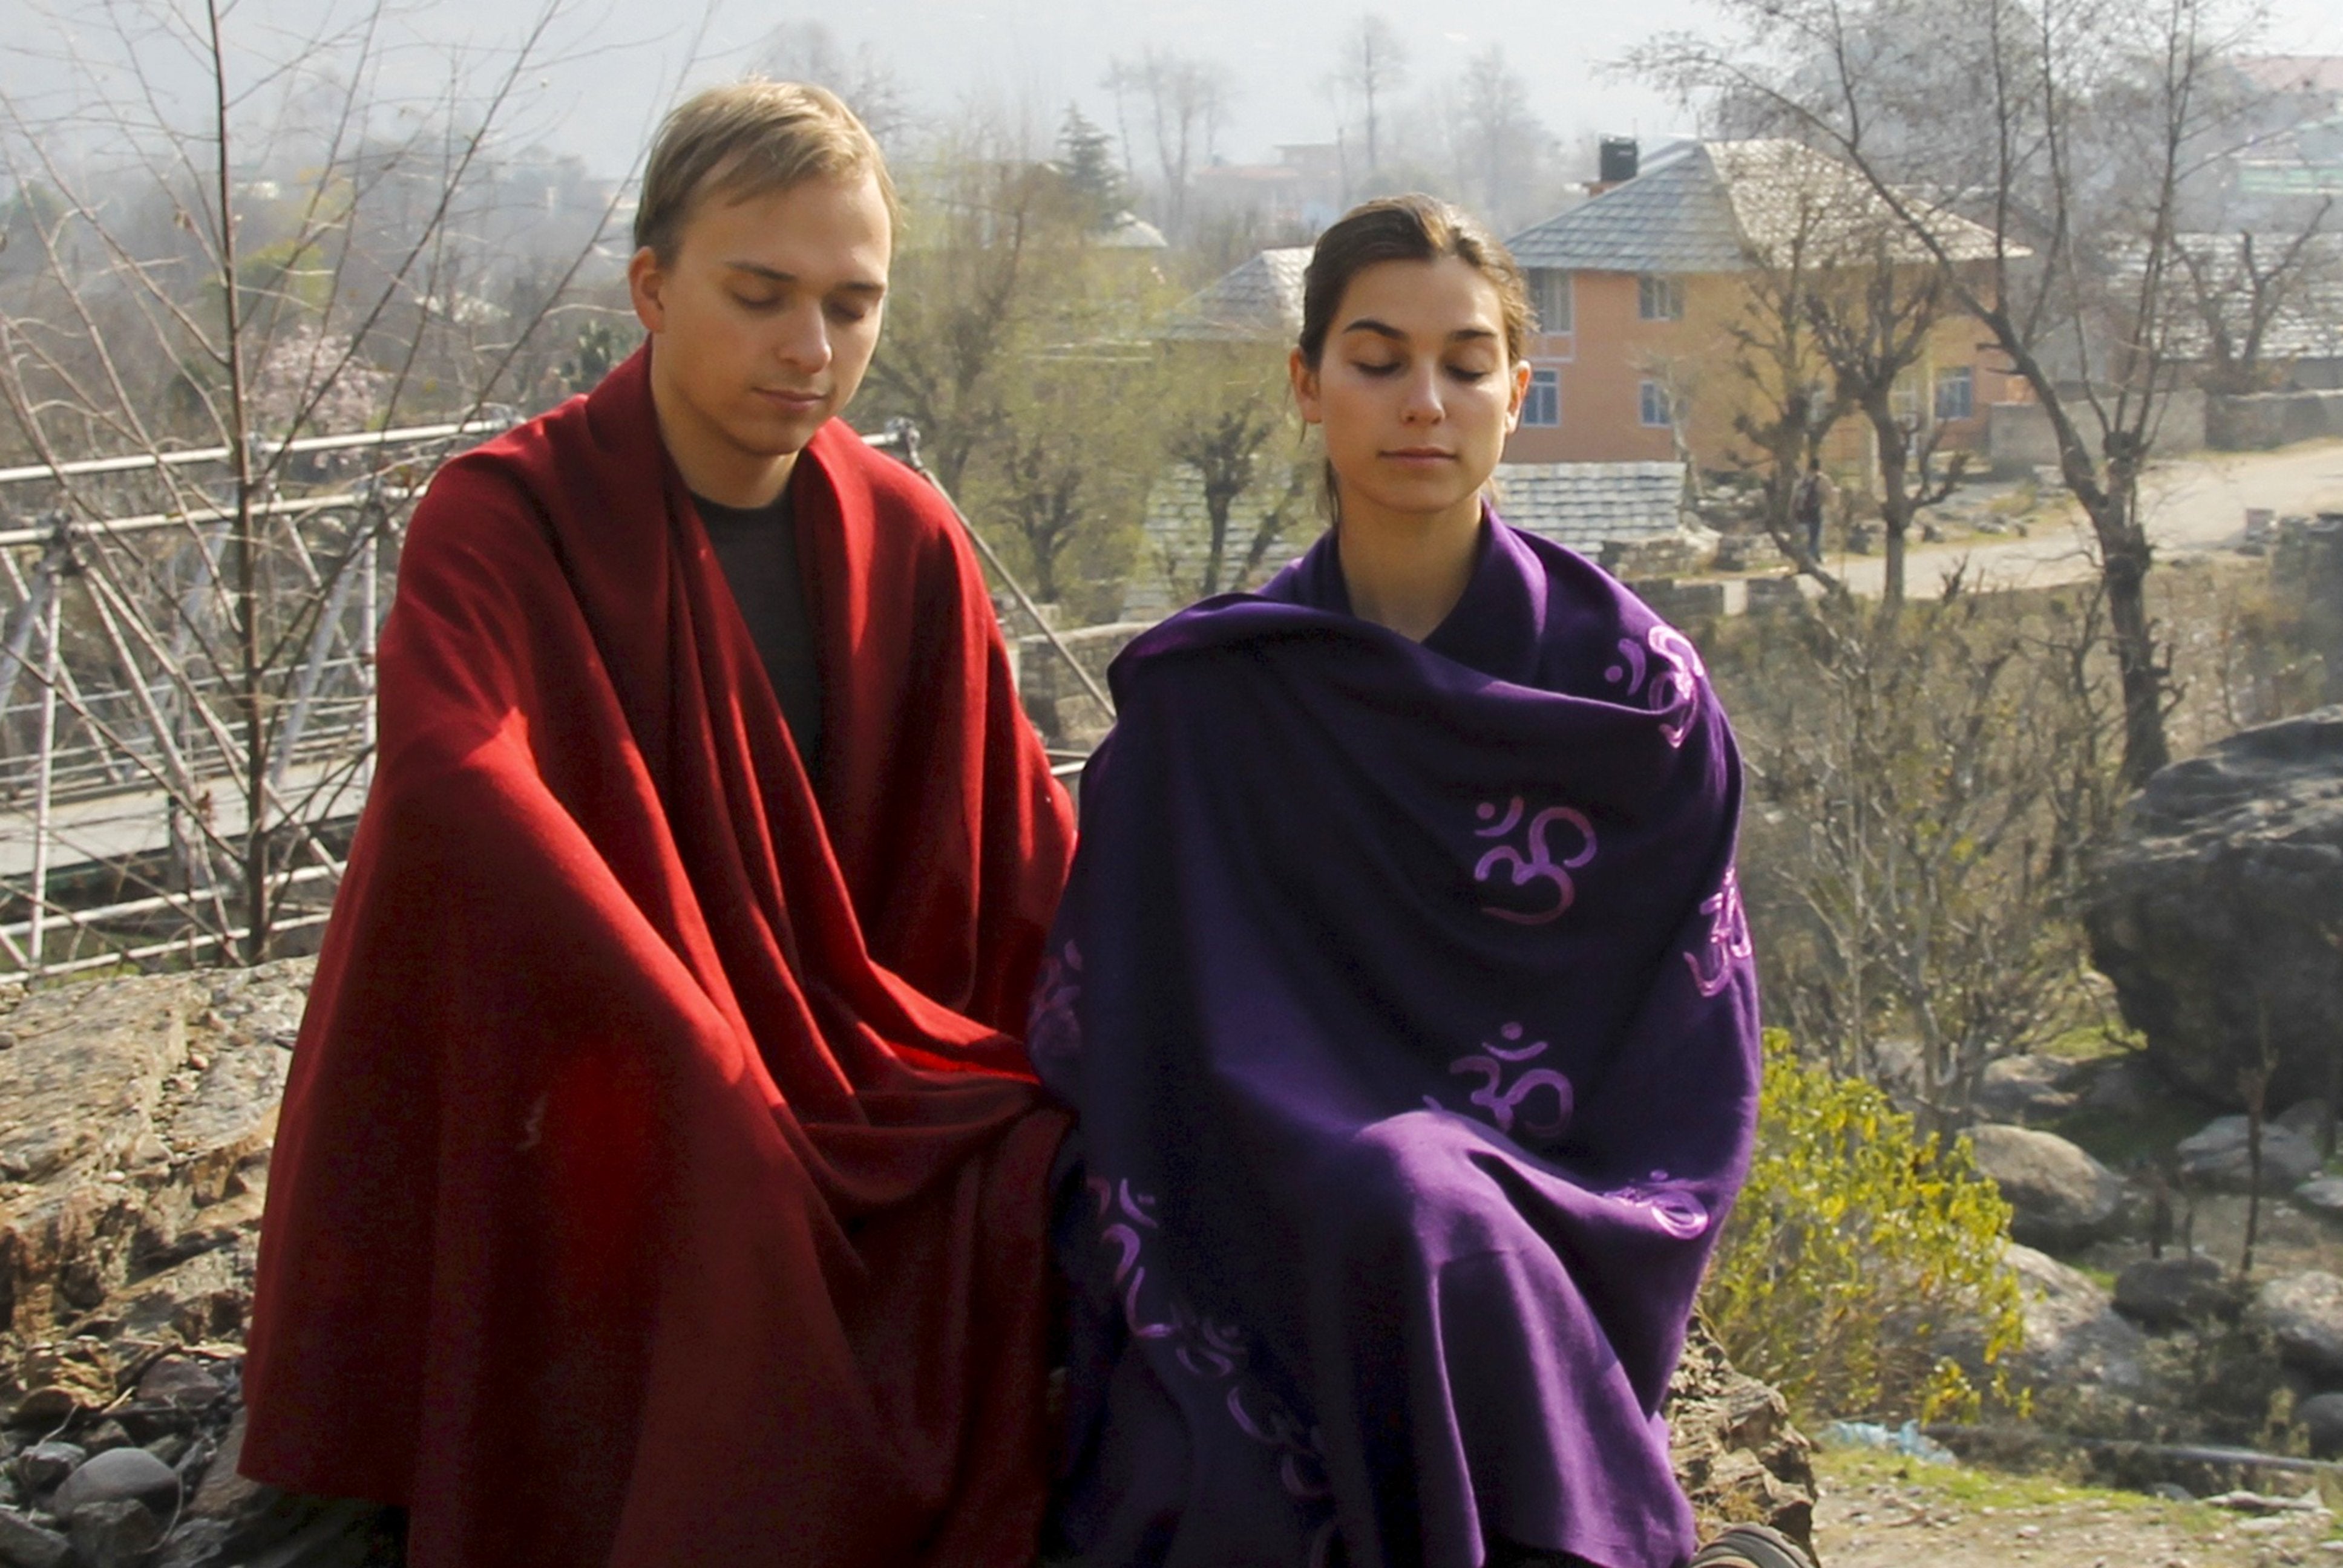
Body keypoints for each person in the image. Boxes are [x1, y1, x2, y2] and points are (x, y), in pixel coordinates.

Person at [240, 81, 1076, 1567]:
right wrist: (679, 1026)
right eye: (760, 294)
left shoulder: (908, 538)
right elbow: (456, 769)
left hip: (861, 1068)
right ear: (651, 286)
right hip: (602, 1077)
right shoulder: (502, 516)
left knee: (1065, 1174)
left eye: (850, 303)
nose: (809, 350)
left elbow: (1023, 850)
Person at [1029, 195, 1799, 1568]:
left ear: (1516, 386)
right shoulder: (1215, 701)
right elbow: (1134, 1012)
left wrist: (1475, 1161)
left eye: (1465, 362)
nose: (1422, 403)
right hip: (1255, 1173)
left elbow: (1689, 1038)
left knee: (1421, 1199)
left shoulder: (1634, 701)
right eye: (1377, 360)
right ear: (1305, 385)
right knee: (1387, 1192)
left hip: (1557, 1186)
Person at [1794, 457, 1832, 563]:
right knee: (1815, 534)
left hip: (1802, 512)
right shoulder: (1823, 479)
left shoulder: (1803, 480)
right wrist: (1830, 506)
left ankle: (1814, 555)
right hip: (1816, 511)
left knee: (1805, 535)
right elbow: (1830, 496)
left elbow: (1795, 495)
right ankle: (1810, 557)